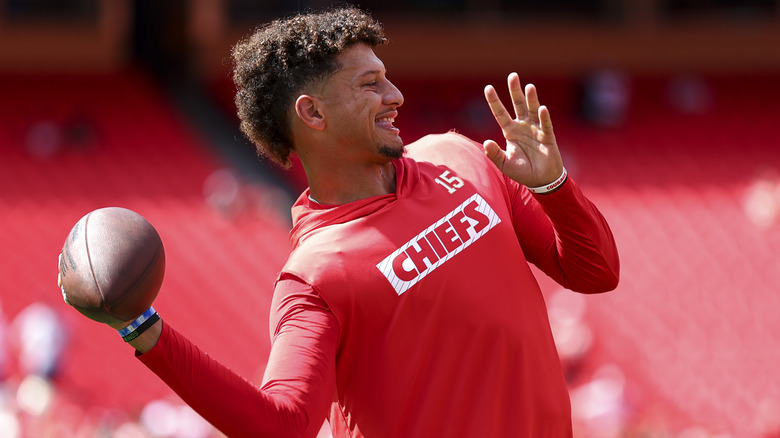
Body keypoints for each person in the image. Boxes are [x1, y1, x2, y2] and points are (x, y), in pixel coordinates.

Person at [59, 7, 619, 437]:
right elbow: (283, 423)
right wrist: (144, 331)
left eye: (387, 77)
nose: (395, 95)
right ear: (313, 113)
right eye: (369, 84)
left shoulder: (459, 155)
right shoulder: (315, 275)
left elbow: (595, 272)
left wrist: (553, 186)